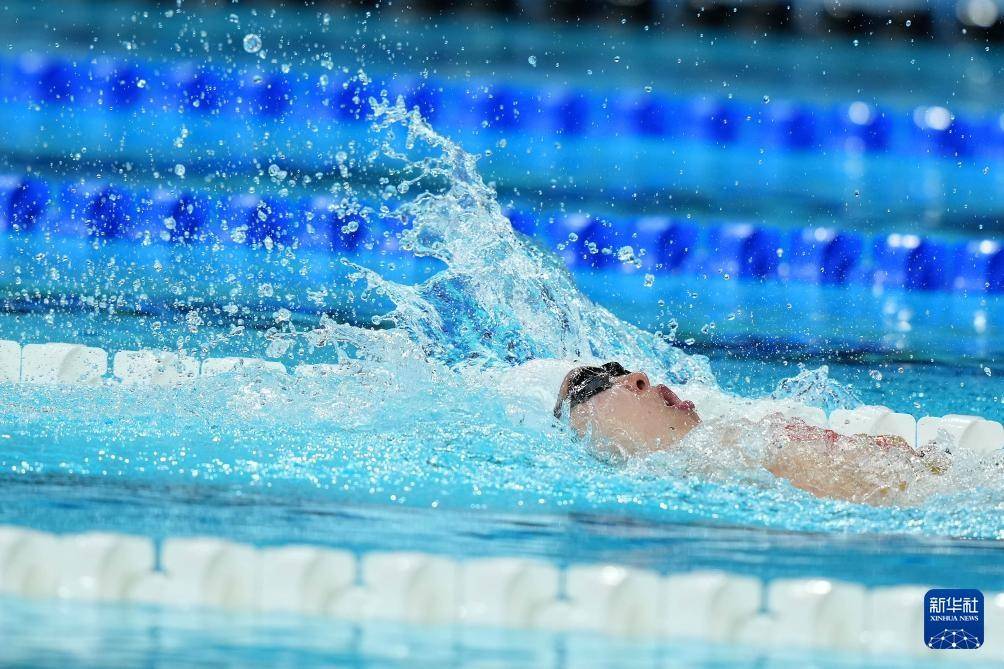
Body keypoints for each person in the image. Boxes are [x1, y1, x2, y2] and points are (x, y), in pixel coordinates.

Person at [553, 362, 949, 506]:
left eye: (622, 372)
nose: (639, 378)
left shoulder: (724, 452)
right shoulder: (718, 464)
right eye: (611, 383)